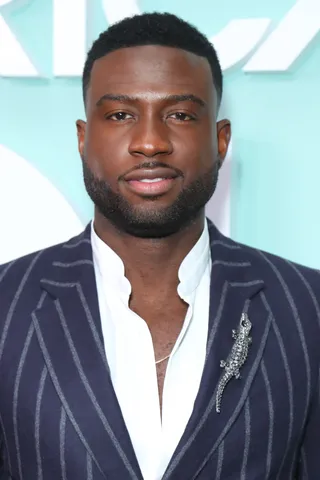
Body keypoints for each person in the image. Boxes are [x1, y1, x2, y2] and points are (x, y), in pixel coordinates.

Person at [0, 12, 319, 480]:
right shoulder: (7, 303)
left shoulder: (307, 307)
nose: (150, 142)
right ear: (83, 140)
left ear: (221, 139)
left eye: (180, 115)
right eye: (121, 115)